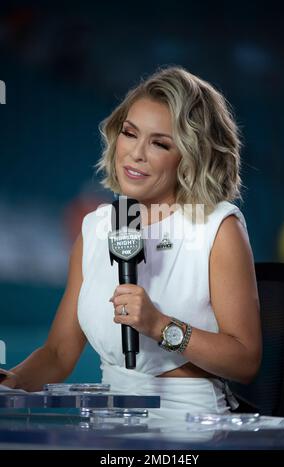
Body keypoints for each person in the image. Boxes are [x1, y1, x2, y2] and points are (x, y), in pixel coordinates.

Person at [0, 66, 262, 421]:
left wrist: (158, 325)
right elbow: (59, 353)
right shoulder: (95, 228)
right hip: (109, 421)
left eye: (159, 143)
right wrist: (11, 381)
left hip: (192, 424)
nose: (136, 153)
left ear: (189, 155)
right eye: (129, 133)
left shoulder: (217, 227)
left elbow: (245, 361)